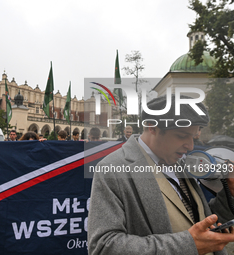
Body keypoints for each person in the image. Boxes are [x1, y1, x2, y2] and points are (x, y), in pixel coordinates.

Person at [88, 94, 234, 255]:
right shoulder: (112, 169)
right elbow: (103, 247)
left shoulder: (181, 161)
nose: (191, 146)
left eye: (193, 137)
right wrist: (187, 244)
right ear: (152, 126)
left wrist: (230, 196)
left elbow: (197, 221)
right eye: (182, 136)